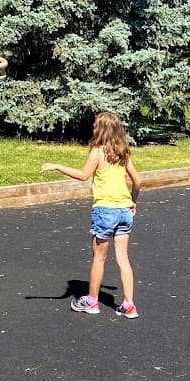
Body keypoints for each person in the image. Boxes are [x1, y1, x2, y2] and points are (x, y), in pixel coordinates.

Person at [40, 112, 142, 318]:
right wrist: (133, 200)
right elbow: (138, 181)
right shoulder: (123, 153)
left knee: (99, 258)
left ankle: (92, 301)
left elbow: (83, 175)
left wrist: (57, 166)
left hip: (105, 211)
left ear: (100, 129)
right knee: (123, 258)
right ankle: (129, 305)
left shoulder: (97, 151)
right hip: (124, 211)